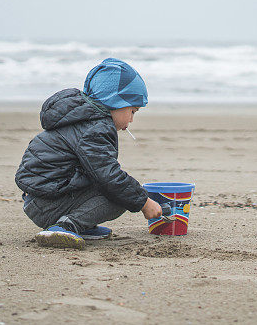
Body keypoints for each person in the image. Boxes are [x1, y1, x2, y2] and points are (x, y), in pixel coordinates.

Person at [14, 58, 162, 249]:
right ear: (115, 101)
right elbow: (110, 177)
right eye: (133, 111)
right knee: (121, 197)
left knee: (115, 188)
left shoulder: (84, 119)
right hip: (47, 202)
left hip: (43, 197)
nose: (132, 119)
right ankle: (65, 225)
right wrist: (143, 202)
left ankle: (79, 225)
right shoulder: (96, 129)